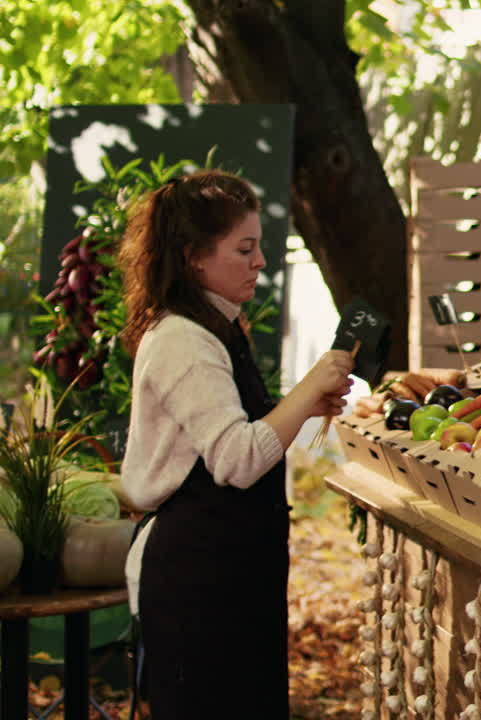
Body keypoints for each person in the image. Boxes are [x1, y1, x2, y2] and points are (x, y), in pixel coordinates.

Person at [118, 170, 355, 718]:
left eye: (259, 247)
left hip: (232, 572)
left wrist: (305, 407)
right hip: (198, 582)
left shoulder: (218, 326)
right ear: (194, 257)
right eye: (244, 249)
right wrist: (307, 388)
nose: (260, 262)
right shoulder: (182, 339)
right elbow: (237, 460)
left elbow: (241, 433)